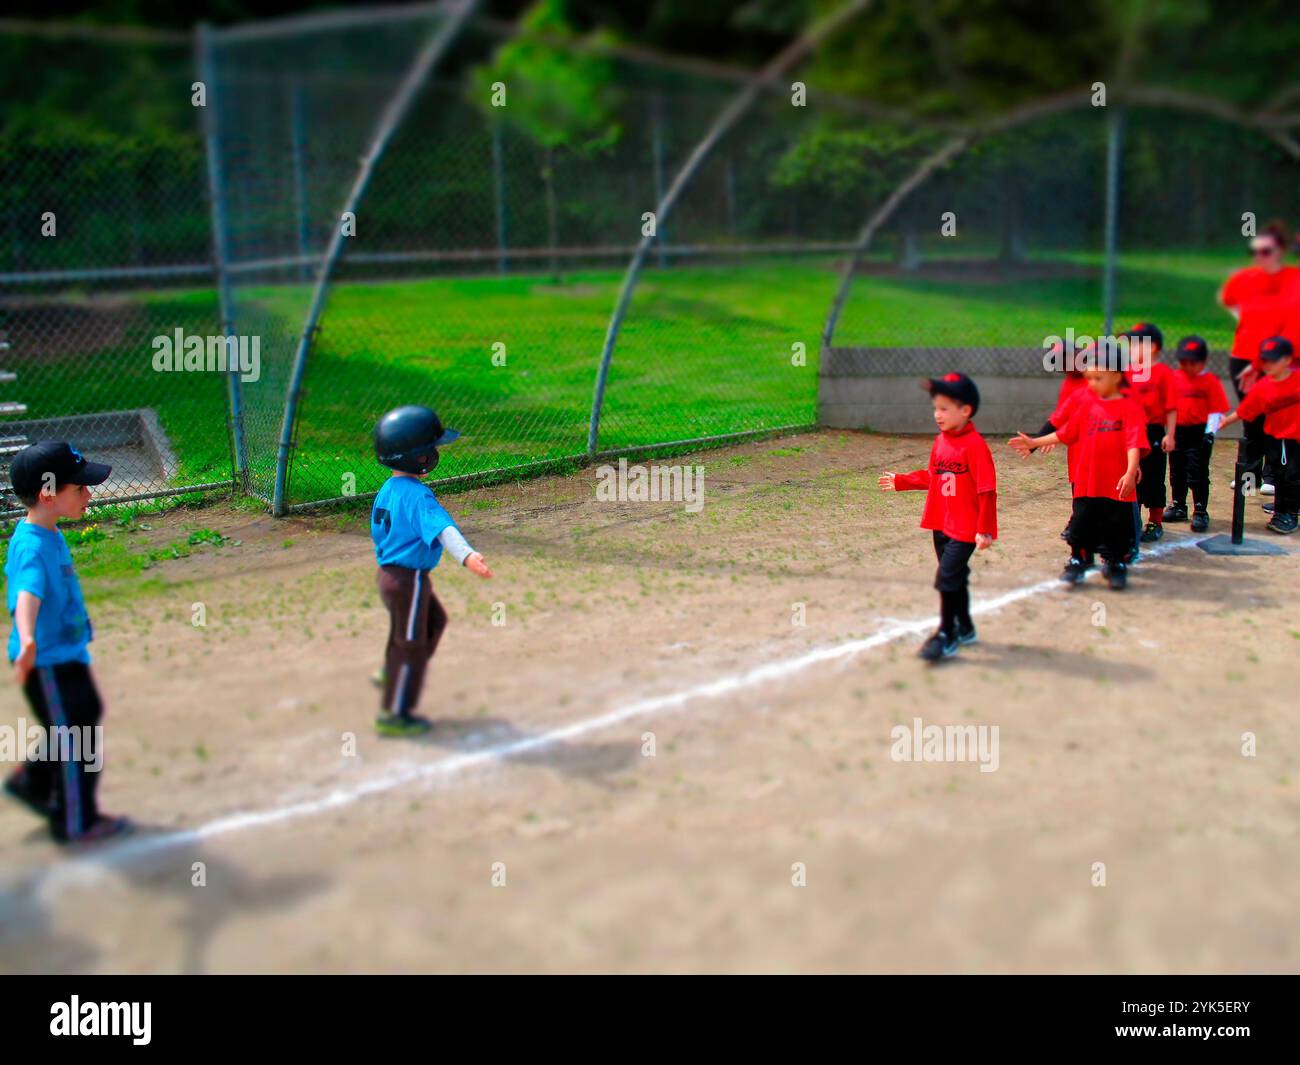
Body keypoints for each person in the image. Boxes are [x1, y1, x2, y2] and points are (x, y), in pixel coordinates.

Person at [3, 442, 131, 844]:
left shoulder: (47, 532)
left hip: (66, 653)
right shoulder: (32, 547)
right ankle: (76, 822)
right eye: (79, 488)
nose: (89, 494)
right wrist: (26, 639)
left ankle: (32, 783)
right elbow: (27, 594)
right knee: (76, 739)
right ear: (48, 493)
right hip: (46, 661)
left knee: (79, 719)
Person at [370, 406, 493, 736]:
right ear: (419, 457)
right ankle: (394, 715)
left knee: (432, 623)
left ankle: (392, 670)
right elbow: (443, 530)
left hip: (390, 576)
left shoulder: (388, 489)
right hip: (408, 580)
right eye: (432, 448)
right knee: (410, 643)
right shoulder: (418, 496)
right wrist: (467, 556)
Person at [877, 373, 997, 662]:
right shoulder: (941, 441)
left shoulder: (975, 446)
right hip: (941, 522)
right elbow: (935, 476)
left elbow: (987, 490)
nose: (937, 414)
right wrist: (903, 481)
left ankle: (947, 634)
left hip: (965, 527)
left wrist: (985, 529)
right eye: (935, 408)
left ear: (965, 411)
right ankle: (965, 627)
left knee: (946, 577)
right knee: (955, 577)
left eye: (944, 409)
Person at [1010, 367, 1147, 589]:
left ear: (1117, 376)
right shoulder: (1087, 405)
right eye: (1089, 378)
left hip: (1117, 481)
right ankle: (1078, 560)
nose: (1091, 383)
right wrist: (1035, 443)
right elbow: (1065, 433)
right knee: (1083, 519)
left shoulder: (1129, 407)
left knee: (1117, 523)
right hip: (1088, 478)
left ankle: (1115, 564)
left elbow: (1134, 443)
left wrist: (1131, 471)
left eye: (1098, 378)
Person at [1219, 221, 1298, 494]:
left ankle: (1273, 476)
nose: (1259, 257)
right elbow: (1228, 300)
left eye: (1266, 251)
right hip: (1243, 357)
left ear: (1280, 251)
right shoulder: (1244, 278)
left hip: (1278, 361)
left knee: (1277, 420)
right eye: (1256, 251)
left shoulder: (1294, 279)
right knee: (1252, 418)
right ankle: (1249, 476)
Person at [1219, 336, 1300, 534]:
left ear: (1288, 360)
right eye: (1266, 360)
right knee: (1282, 476)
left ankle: (1289, 514)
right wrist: (1222, 423)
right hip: (1275, 438)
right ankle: (1283, 511)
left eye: (1275, 359)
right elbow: (1245, 410)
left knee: (1293, 476)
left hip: (1295, 438)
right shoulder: (1263, 386)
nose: (1269, 364)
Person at [1165, 336, 1230, 533]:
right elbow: (1169, 407)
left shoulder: (1209, 381)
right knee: (1177, 470)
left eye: (1193, 363)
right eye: (1184, 362)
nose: (1188, 366)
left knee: (1198, 472)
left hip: (1199, 432)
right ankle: (1178, 505)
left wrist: (1210, 432)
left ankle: (1200, 510)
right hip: (1178, 431)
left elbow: (1216, 409)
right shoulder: (1174, 378)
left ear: (1203, 362)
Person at [1122, 323, 1178, 543]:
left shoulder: (1163, 373)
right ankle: (1130, 518)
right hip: (1129, 430)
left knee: (1153, 476)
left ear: (1153, 347)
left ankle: (1155, 521)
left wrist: (1170, 434)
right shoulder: (1126, 372)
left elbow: (1171, 406)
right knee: (1130, 472)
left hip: (1153, 430)